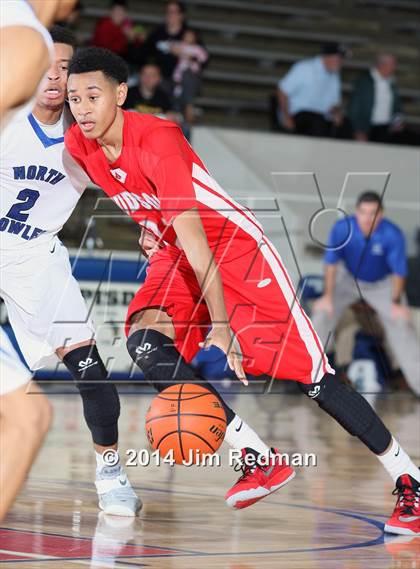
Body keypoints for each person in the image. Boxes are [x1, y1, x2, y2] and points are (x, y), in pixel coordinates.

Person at [65, 47, 419, 534]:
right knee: (145, 342)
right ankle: (256, 455)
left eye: (92, 95)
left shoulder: (158, 138)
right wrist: (147, 227)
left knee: (314, 377)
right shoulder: (80, 145)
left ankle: (409, 479)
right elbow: (142, 204)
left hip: (232, 250)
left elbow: (196, 238)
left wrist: (224, 325)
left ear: (121, 94)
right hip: (177, 254)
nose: (81, 107)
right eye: (73, 97)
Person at [0, 28, 140, 517]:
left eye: (64, 67)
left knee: (89, 367)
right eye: (46, 65)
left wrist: (149, 223)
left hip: (35, 255)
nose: (54, 76)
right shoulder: (6, 119)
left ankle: (110, 472)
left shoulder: (87, 137)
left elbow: (135, 177)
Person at [0, 0, 76, 522]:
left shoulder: (80, 137)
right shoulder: (26, 38)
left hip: (33, 254)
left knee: (29, 415)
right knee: (27, 418)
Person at [311, 190, 420, 399]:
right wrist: (327, 296)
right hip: (348, 278)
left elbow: (398, 272)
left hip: (382, 284)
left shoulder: (392, 234)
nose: (368, 218)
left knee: (401, 324)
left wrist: (396, 303)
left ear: (382, 215)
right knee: (322, 315)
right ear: (356, 213)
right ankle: (307, 378)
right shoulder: (343, 228)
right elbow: (331, 263)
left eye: (373, 213)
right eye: (363, 212)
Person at [277, 42, 349, 138]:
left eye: (341, 60)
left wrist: (336, 113)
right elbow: (282, 91)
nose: (340, 63)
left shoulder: (334, 75)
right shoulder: (305, 68)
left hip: (321, 117)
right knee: (316, 122)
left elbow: (333, 103)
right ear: (326, 56)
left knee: (346, 125)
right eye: (338, 59)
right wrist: (286, 116)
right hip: (298, 114)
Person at [348, 54, 420, 145]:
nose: (394, 67)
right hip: (369, 128)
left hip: (386, 127)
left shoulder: (390, 82)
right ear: (382, 65)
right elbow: (354, 107)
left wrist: (398, 122)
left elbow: (397, 106)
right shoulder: (364, 82)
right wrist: (359, 130)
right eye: (392, 64)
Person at [142, 1, 188, 83]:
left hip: (182, 78)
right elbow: (144, 53)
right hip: (159, 77)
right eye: (168, 11)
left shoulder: (189, 35)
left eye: (173, 12)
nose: (170, 15)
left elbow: (202, 58)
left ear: (181, 15)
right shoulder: (157, 33)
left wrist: (183, 54)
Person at [171, 28, 208, 123]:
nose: (187, 38)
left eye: (190, 36)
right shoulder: (181, 46)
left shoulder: (197, 48)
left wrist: (192, 58)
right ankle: (184, 109)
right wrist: (174, 49)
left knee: (186, 79)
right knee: (178, 89)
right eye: (186, 36)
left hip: (191, 73)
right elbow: (171, 47)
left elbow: (203, 58)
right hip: (180, 73)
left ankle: (188, 107)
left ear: (195, 38)